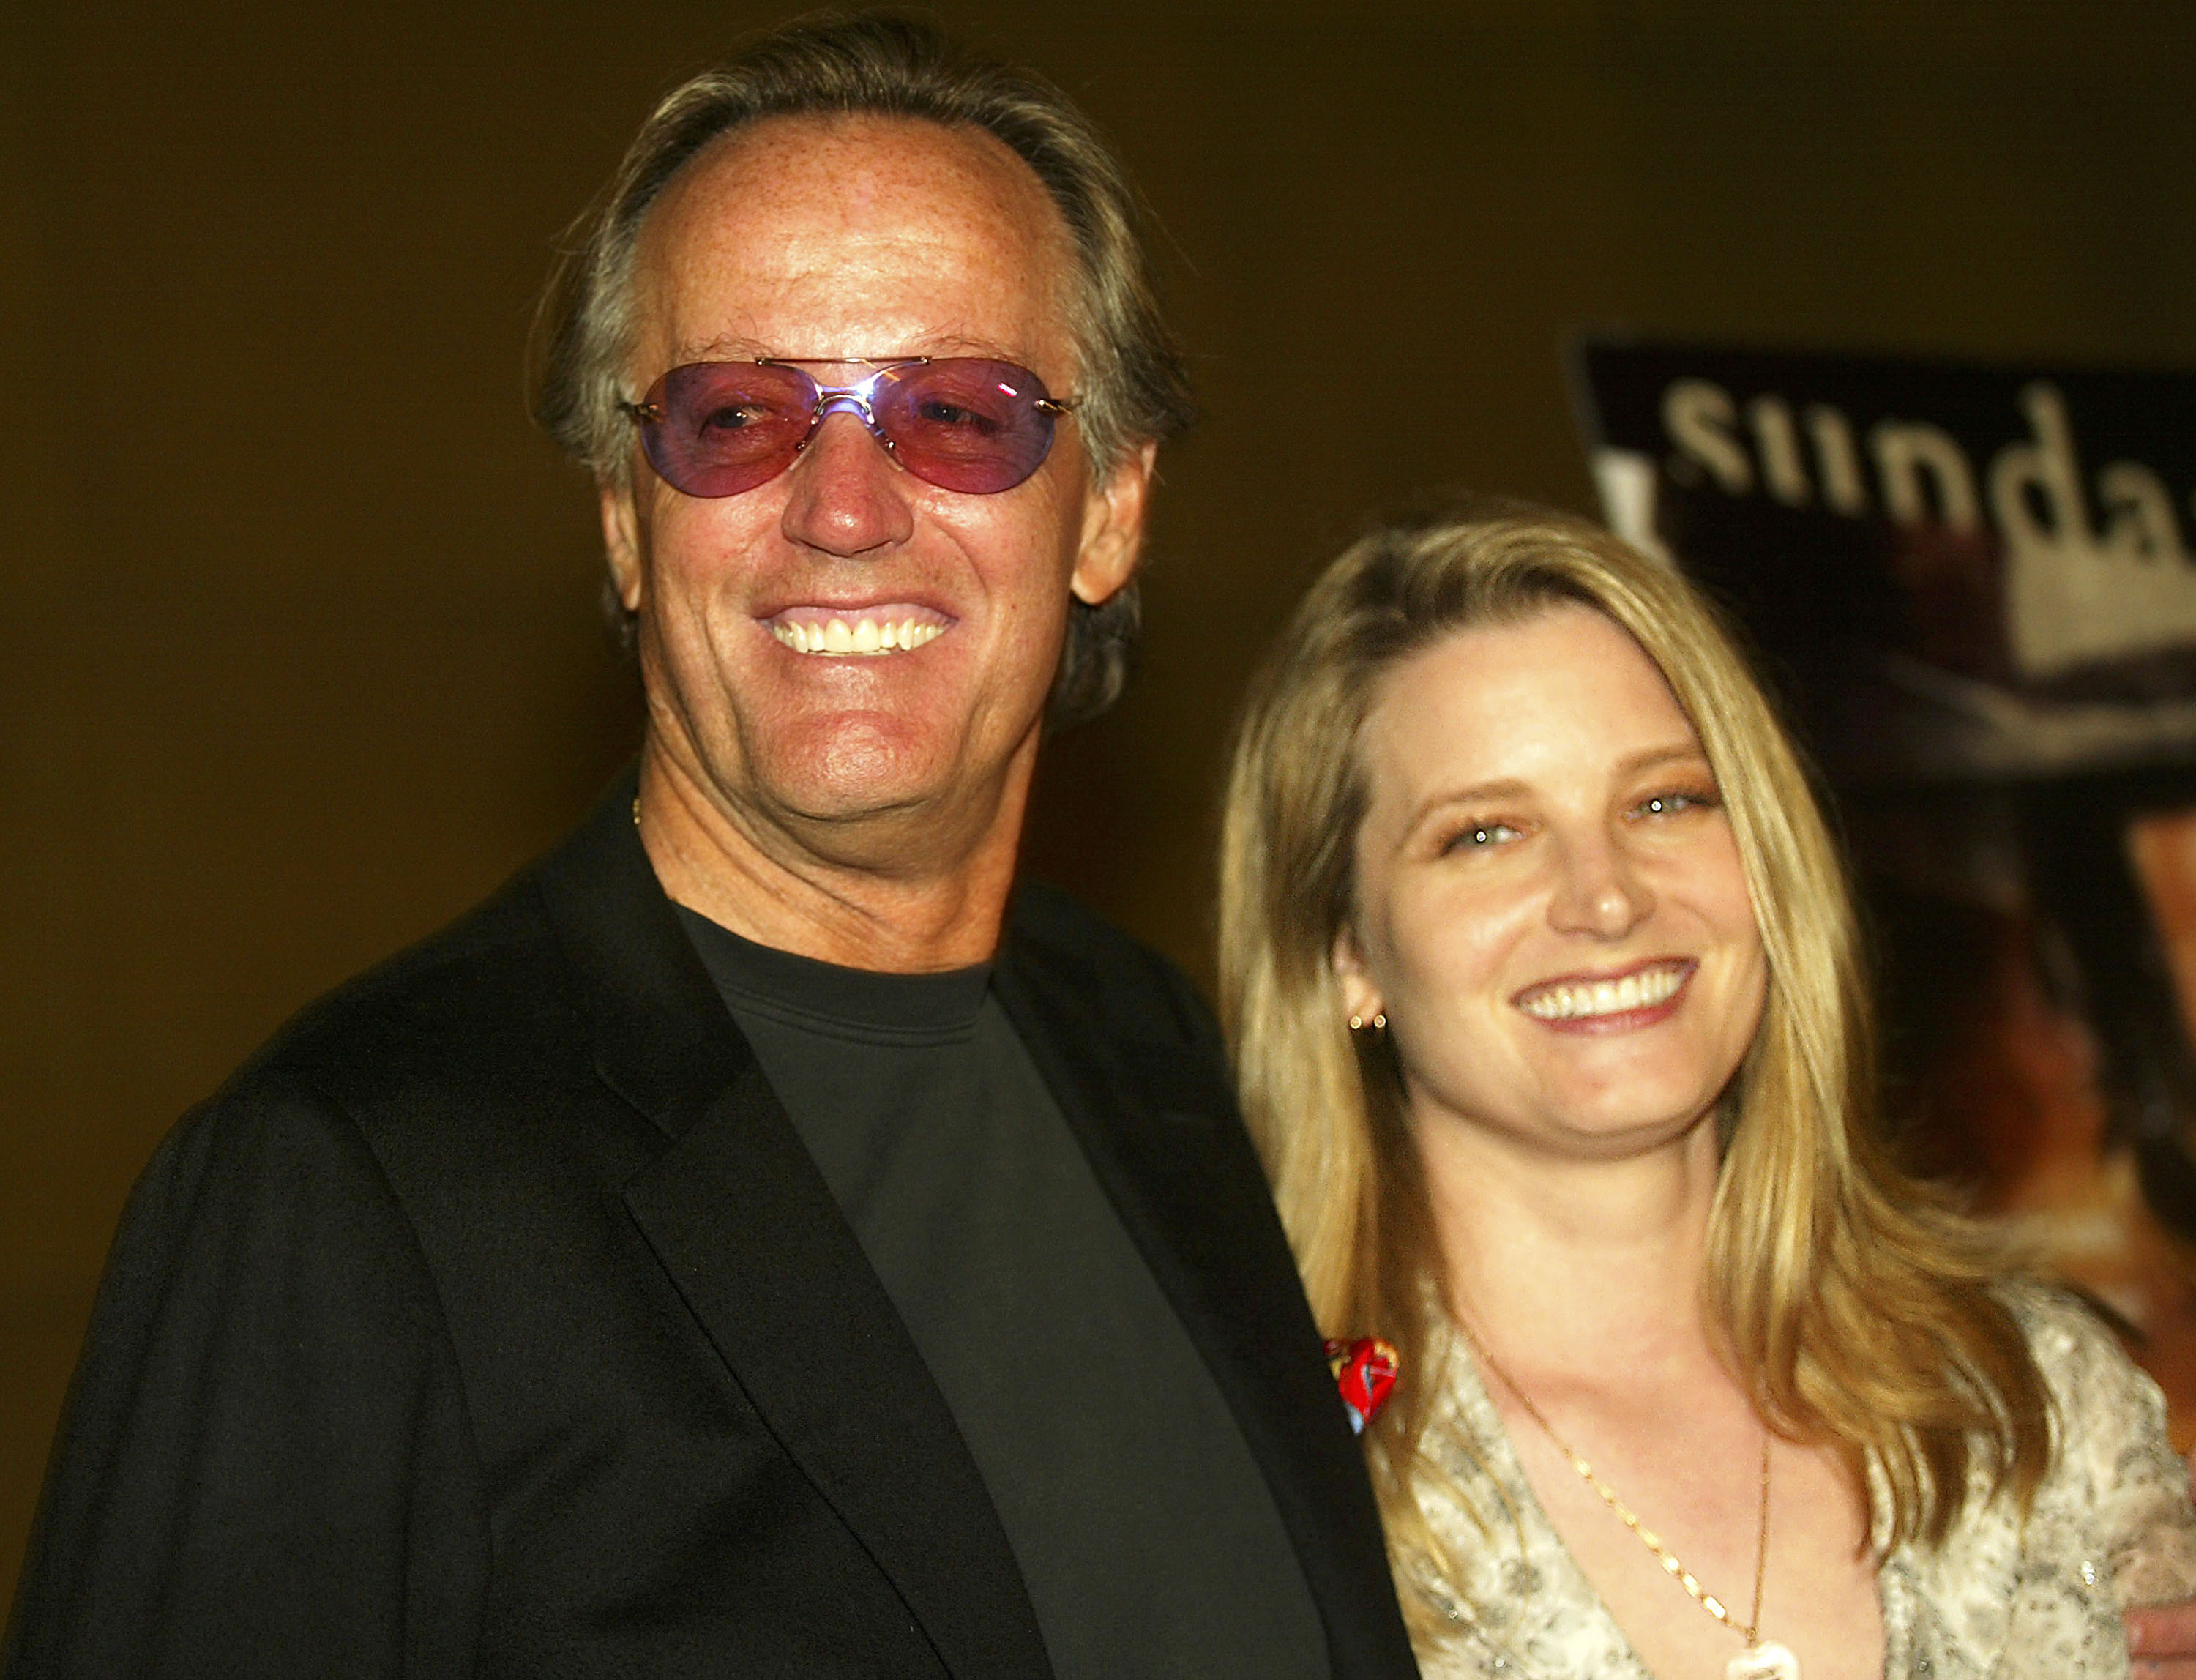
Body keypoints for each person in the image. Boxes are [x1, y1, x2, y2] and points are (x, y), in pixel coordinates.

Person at [3, 20, 1419, 1679]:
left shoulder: (1167, 1061)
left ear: (1108, 508)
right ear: (626, 517)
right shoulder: (350, 1185)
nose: (844, 506)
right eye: (737, 414)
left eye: (958, 413)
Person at [1217, 502, 2196, 1678]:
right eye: (1484, 835)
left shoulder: (2034, 1403)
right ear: (1346, 952)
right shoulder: (1264, 1482)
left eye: (1665, 801)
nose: (1606, 897)